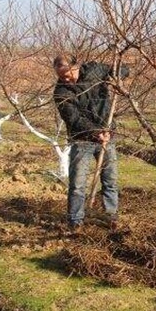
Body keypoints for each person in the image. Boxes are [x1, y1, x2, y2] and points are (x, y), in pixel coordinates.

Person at [52, 54, 128, 230]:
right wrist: (96, 132)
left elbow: (121, 69)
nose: (65, 79)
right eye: (60, 76)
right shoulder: (61, 92)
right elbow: (74, 118)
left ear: (76, 66)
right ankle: (75, 221)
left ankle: (110, 216)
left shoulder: (94, 70)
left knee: (110, 179)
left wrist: (117, 79)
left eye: (67, 74)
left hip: (108, 134)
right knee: (78, 183)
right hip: (82, 139)